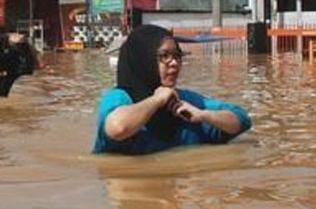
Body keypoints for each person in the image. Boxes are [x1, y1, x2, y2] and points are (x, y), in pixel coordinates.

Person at [93, 24, 251, 155]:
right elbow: (118, 128)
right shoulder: (120, 98)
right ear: (143, 60)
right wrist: (156, 100)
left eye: (177, 56)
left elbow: (242, 120)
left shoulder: (184, 102)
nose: (174, 63)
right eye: (164, 56)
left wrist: (204, 115)